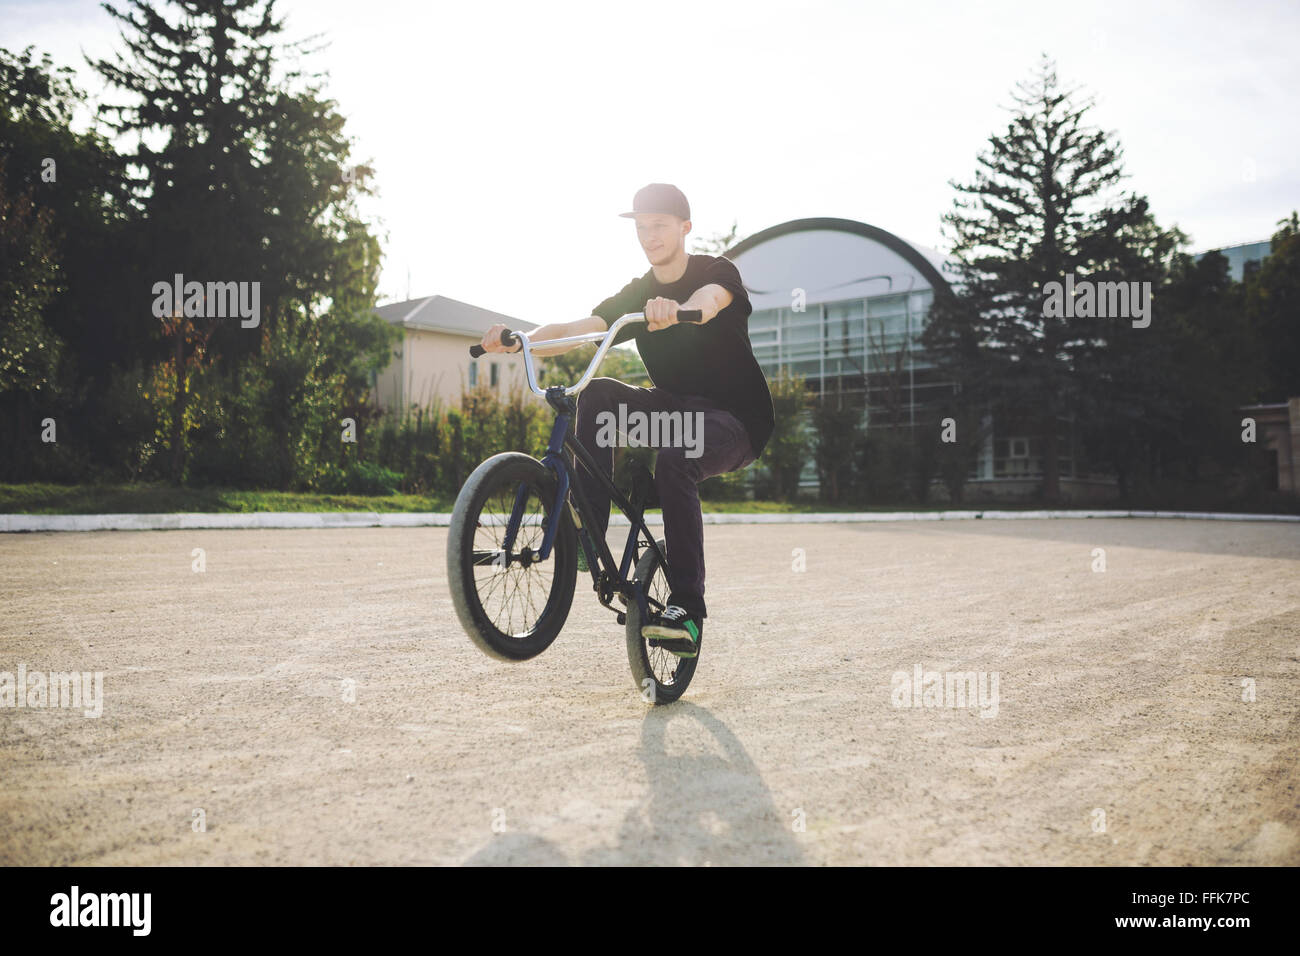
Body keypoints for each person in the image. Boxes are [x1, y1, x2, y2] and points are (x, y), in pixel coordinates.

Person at [478, 183, 774, 657]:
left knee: (677, 460)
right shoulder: (639, 293)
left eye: (659, 226)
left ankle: (688, 610)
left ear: (685, 228)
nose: (649, 237)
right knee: (595, 394)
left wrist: (680, 312)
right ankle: (587, 531)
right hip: (673, 409)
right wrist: (522, 340)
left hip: (734, 420)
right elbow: (578, 330)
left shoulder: (716, 272)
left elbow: (712, 300)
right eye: (641, 228)